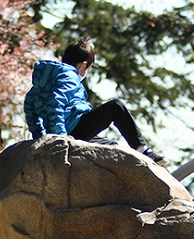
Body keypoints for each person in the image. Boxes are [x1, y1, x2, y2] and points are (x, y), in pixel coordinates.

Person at [24, 36, 166, 166]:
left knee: (112, 146)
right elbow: (55, 103)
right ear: (83, 65)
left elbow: (30, 109)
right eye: (88, 68)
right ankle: (142, 149)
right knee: (116, 107)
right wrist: (59, 138)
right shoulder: (69, 76)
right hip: (70, 131)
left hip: (69, 130)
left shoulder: (40, 83)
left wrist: (40, 137)